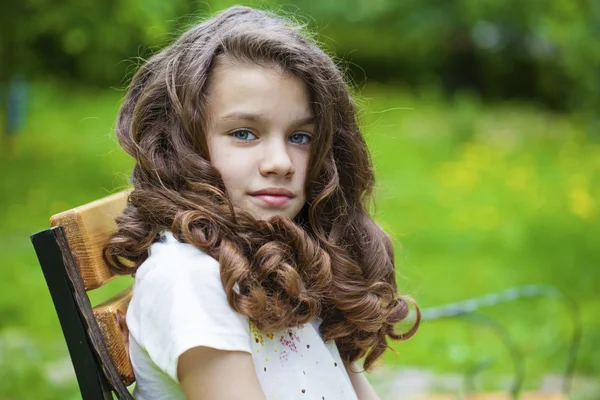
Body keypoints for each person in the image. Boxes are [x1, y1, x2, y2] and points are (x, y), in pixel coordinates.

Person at [103, 6, 420, 400]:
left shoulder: (282, 259)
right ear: (181, 143)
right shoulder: (188, 279)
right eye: (243, 133)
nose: (280, 163)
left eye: (300, 137)